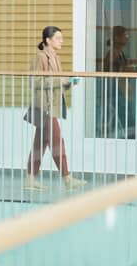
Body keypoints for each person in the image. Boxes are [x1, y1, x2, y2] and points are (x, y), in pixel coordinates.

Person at [24, 26, 86, 191]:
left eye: (61, 38)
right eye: (58, 38)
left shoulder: (55, 58)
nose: (61, 42)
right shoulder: (41, 57)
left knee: (40, 144)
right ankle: (67, 179)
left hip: (51, 106)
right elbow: (35, 82)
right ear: (48, 40)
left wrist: (69, 83)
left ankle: (30, 179)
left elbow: (55, 84)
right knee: (57, 142)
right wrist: (63, 81)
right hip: (44, 107)